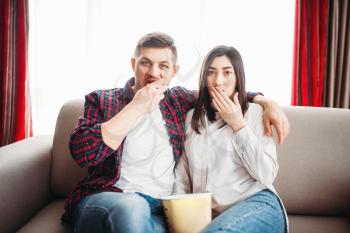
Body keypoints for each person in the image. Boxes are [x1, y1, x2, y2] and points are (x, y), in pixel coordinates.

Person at [62, 32, 290, 233]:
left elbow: (217, 90)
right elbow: (83, 153)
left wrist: (265, 101)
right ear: (133, 63)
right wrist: (135, 107)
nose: (154, 73)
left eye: (163, 66)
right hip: (112, 199)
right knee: (132, 206)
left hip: (160, 209)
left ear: (174, 71)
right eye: (145, 63)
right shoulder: (103, 100)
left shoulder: (176, 100)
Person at [174, 45, 288, 233]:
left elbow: (266, 175)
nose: (218, 81)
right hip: (211, 213)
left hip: (256, 202)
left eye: (227, 73)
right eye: (211, 73)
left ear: (238, 79)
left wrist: (238, 124)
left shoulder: (256, 113)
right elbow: (182, 177)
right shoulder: (191, 118)